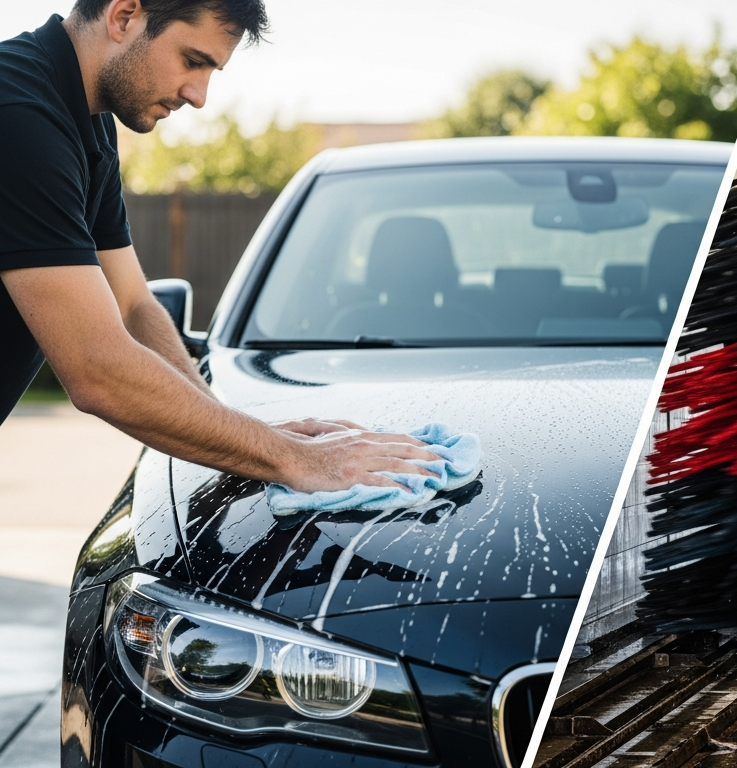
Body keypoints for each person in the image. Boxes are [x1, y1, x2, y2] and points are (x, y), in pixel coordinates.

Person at [0, 0, 439, 493]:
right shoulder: (18, 114)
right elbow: (96, 366)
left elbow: (133, 307)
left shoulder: (84, 119)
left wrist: (245, 432)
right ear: (124, 17)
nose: (199, 95)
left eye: (212, 70)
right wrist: (295, 459)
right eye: (193, 60)